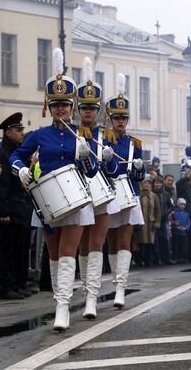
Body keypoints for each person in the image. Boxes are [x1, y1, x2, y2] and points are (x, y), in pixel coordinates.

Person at [10, 48, 98, 331]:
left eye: (65, 104)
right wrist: (20, 169)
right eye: (56, 104)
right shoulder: (40, 135)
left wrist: (87, 157)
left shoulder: (80, 136)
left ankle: (63, 307)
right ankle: (59, 302)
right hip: (47, 202)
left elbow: (93, 172)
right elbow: (16, 156)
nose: (60, 109)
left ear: (72, 107)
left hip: (75, 200)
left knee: (68, 251)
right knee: (54, 253)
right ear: (49, 105)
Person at [75, 57, 120, 319]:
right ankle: (85, 291)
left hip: (101, 194)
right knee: (80, 245)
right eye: (84, 108)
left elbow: (113, 173)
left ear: (99, 109)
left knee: (96, 244)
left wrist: (111, 160)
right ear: (78, 108)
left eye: (92, 108)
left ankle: (92, 296)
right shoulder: (72, 133)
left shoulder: (107, 136)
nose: (88, 112)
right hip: (79, 194)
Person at [105, 73, 146, 308]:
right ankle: (115, 283)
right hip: (111, 192)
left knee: (124, 240)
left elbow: (139, 176)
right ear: (110, 118)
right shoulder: (103, 139)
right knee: (111, 241)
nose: (121, 122)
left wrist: (140, 169)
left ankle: (121, 287)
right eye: (117, 117)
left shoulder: (134, 144)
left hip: (129, 193)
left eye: (124, 118)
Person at [0, 113, 33, 300]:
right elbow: (0, 186)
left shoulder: (15, 153)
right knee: (5, 249)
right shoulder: (0, 155)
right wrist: (3, 212)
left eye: (22, 129)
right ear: (8, 132)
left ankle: (17, 283)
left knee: (19, 248)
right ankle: (5, 287)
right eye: (18, 130)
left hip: (19, 207)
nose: (21, 133)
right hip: (8, 208)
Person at [134, 176, 161, 266]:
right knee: (139, 242)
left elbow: (157, 210)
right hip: (140, 222)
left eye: (149, 183)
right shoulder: (137, 195)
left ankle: (148, 260)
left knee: (150, 243)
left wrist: (157, 222)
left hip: (150, 222)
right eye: (145, 183)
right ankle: (138, 261)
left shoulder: (154, 196)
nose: (147, 185)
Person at [153, 176, 174, 264]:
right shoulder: (151, 194)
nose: (158, 184)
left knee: (165, 239)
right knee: (155, 240)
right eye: (156, 182)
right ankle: (155, 259)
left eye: (160, 183)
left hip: (164, 219)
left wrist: (166, 212)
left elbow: (171, 206)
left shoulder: (165, 194)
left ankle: (166, 258)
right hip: (154, 219)